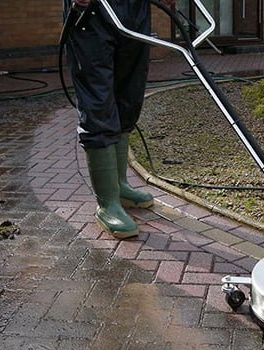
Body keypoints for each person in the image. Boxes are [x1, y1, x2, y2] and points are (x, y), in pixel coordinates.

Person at [64, 0, 176, 239]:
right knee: (98, 102)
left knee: (129, 96)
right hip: (92, 13)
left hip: (135, 10)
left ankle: (120, 184)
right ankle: (107, 203)